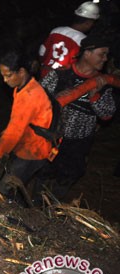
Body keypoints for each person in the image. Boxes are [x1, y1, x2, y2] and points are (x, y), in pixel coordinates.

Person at [38, 34, 116, 200]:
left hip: (79, 141)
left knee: (70, 175)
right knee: (42, 171)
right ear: (87, 53)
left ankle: (52, 207)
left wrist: (95, 96)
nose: (105, 59)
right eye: (102, 54)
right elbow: (37, 99)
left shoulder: (102, 83)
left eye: (106, 55)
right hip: (53, 136)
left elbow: (108, 114)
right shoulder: (62, 74)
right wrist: (55, 97)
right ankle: (33, 203)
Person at [0, 50, 54, 199]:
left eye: (8, 75)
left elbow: (15, 131)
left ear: (21, 72)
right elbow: (16, 123)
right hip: (27, 142)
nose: (4, 80)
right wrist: (2, 138)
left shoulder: (30, 96)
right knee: (14, 183)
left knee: (6, 189)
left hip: (34, 150)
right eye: (3, 75)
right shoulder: (23, 87)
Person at [38, 1, 100, 78]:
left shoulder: (56, 30)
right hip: (62, 81)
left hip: (44, 74)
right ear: (89, 22)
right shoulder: (84, 41)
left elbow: (42, 51)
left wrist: (44, 65)